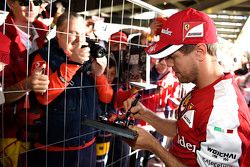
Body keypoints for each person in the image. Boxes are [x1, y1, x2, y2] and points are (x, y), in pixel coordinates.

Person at [123, 8, 250, 167]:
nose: (168, 64)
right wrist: (146, 114)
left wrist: (153, 146)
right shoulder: (203, 88)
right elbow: (184, 131)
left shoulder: (223, 110)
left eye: (172, 57)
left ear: (200, 51)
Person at [28, 12, 106, 167]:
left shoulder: (87, 55)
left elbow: (106, 97)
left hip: (88, 145)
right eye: (73, 33)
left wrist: (100, 73)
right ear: (59, 34)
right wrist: (73, 64)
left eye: (83, 34)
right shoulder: (43, 56)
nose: (79, 39)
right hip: (56, 150)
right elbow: (43, 97)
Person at [0, 0, 49, 167]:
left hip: (43, 129)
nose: (31, 6)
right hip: (10, 133)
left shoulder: (44, 33)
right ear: (10, 3)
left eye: (36, 1)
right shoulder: (1, 38)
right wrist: (26, 85)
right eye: (23, 1)